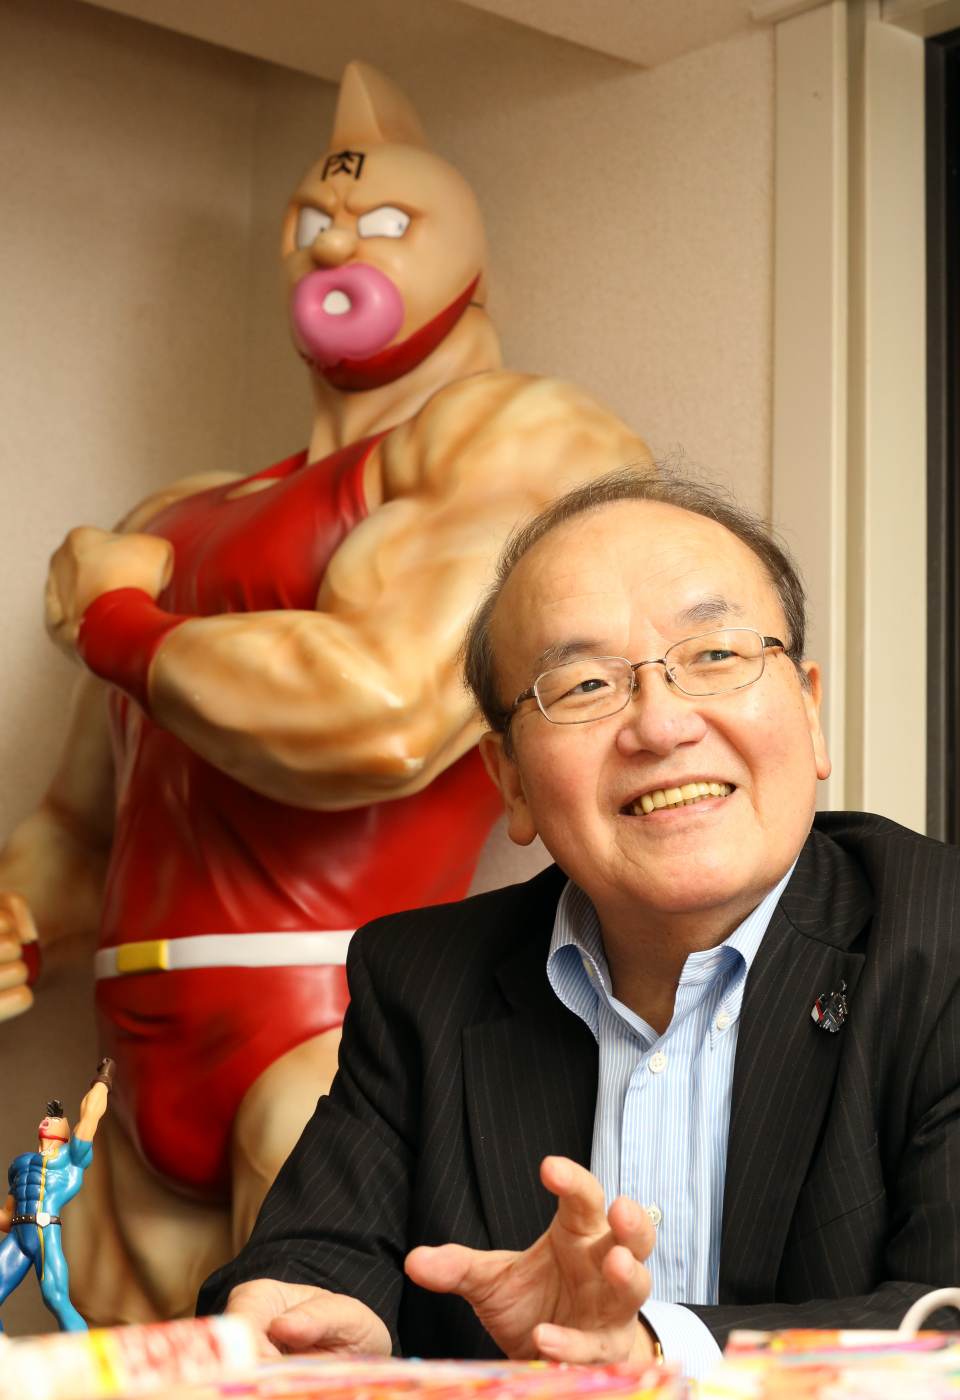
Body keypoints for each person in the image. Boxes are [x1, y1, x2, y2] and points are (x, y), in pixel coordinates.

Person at [0, 62, 647, 1323]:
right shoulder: (174, 513)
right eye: (313, 223)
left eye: (385, 222)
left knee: (313, 1370)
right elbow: (87, 818)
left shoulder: (515, 435)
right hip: (132, 1062)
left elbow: (384, 711)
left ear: (467, 264)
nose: (337, 248)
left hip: (335, 1039)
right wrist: (23, 912)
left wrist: (118, 624)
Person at [197, 468, 960, 1379]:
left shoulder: (941, 940)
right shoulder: (424, 983)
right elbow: (315, 1260)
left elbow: (947, 1324)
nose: (661, 725)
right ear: (511, 781)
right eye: (586, 684)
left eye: (716, 655)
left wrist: (652, 1353)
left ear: (807, 708)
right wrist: (308, 1318)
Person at [0, 1060, 114, 1332]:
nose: (48, 1118)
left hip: (44, 1230)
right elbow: (6, 1217)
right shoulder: (20, 1165)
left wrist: (103, 1080)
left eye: (56, 1118)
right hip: (17, 1234)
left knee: (56, 1298)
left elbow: (90, 1117)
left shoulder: (70, 1158)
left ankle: (83, 1353)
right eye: (47, 1117)